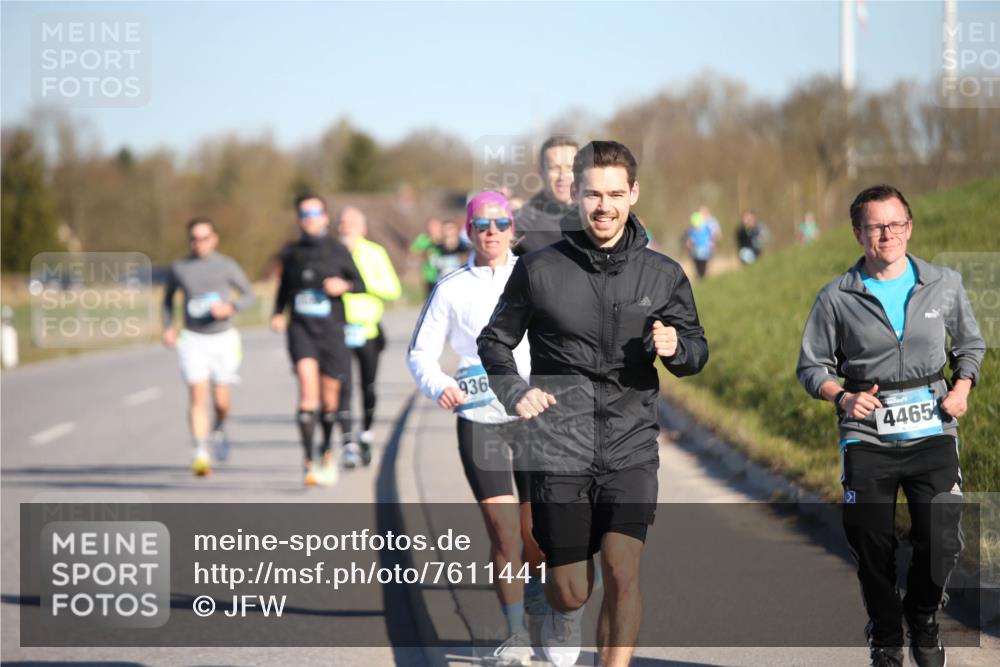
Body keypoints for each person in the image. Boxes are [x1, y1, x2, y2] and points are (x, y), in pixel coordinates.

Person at [478, 141, 709, 667]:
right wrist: (515, 391)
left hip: (631, 444)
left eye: (614, 194)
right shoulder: (539, 269)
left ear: (633, 193)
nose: (604, 207)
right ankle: (559, 610)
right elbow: (494, 341)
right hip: (560, 447)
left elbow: (696, 350)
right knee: (571, 591)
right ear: (576, 197)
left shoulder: (663, 274)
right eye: (593, 195)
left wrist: (677, 348)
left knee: (624, 572)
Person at [797, 184, 984, 667]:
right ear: (858, 233)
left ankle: (922, 616)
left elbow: (970, 345)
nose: (888, 234)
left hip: (933, 427)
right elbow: (811, 366)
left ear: (910, 227)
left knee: (943, 538)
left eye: (896, 223)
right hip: (868, 437)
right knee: (870, 540)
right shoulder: (836, 297)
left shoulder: (944, 283)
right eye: (876, 226)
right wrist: (841, 396)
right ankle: (885, 633)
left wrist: (962, 388)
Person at [408, 191, 544, 666]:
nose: (491, 232)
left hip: (531, 417)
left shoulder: (536, 276)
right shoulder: (450, 288)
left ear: (513, 230)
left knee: (537, 535)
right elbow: (421, 353)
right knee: (504, 535)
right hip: (479, 419)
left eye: (500, 223)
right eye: (482, 224)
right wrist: (440, 385)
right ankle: (516, 634)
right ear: (468, 231)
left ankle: (541, 600)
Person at [271, 194, 365, 487]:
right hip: (301, 330)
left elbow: (360, 284)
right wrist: (277, 313)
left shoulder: (337, 250)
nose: (310, 219)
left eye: (315, 213)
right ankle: (308, 458)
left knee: (330, 400)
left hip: (332, 331)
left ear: (325, 217)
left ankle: (325, 449)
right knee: (307, 393)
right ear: (300, 219)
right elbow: (284, 288)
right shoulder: (290, 252)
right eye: (305, 214)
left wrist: (343, 285)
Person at [162, 217, 254, 477]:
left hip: (223, 338)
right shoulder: (180, 268)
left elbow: (249, 295)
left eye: (204, 238)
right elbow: (167, 301)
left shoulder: (226, 265)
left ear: (214, 239)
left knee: (221, 401)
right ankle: (200, 453)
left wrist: (231, 307)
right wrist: (168, 327)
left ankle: (220, 426)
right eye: (194, 238)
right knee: (197, 394)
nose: (199, 243)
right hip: (193, 339)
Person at [336, 205, 402, 467]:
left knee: (368, 385)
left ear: (362, 228)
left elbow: (393, 290)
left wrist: (359, 285)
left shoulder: (374, 253)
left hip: (367, 329)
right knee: (341, 386)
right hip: (337, 328)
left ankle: (365, 433)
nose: (345, 227)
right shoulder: (332, 252)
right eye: (342, 223)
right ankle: (347, 442)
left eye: (351, 223)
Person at [512, 135, 578, 256]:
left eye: (570, 168)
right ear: (541, 172)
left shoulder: (596, 216)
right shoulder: (520, 222)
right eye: (554, 168)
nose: (563, 176)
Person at [410, 217, 444, 298]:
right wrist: (425, 253)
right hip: (429, 274)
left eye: (436, 226)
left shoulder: (445, 239)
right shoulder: (423, 238)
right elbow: (413, 252)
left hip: (445, 273)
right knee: (430, 297)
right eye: (431, 226)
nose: (433, 229)